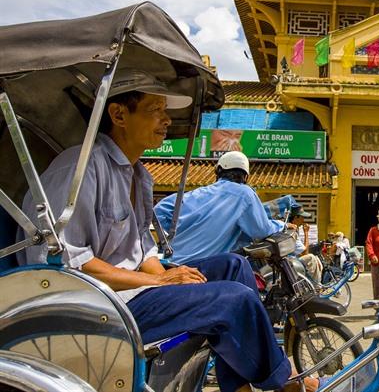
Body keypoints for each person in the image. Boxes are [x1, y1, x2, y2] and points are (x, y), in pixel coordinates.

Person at [17, 69, 318, 392]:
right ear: (119, 114)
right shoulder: (83, 170)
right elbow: (69, 263)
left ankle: (238, 386)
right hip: (94, 302)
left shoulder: (139, 176)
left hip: (130, 289)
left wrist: (168, 282)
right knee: (235, 299)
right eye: (154, 110)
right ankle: (283, 382)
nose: (165, 120)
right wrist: (158, 280)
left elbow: (142, 249)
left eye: (165, 111)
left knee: (233, 266)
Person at [155, 151, 291, 264]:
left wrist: (176, 231)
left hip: (172, 263)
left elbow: (158, 211)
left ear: (218, 171)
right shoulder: (245, 194)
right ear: (246, 177)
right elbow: (261, 230)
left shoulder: (197, 193)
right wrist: (280, 224)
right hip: (202, 268)